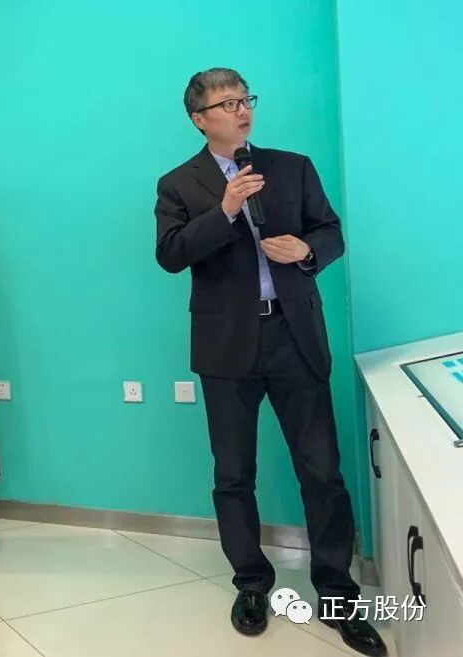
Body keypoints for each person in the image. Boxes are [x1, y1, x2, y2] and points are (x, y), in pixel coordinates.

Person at [154, 67, 386, 657]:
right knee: (233, 475)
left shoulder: (292, 166)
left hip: (294, 335)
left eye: (245, 99)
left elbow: (331, 231)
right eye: (227, 104)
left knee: (323, 473)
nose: (241, 110)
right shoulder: (178, 183)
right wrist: (226, 210)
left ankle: (337, 593)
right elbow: (171, 255)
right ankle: (252, 584)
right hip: (226, 344)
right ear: (199, 119)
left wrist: (308, 249)